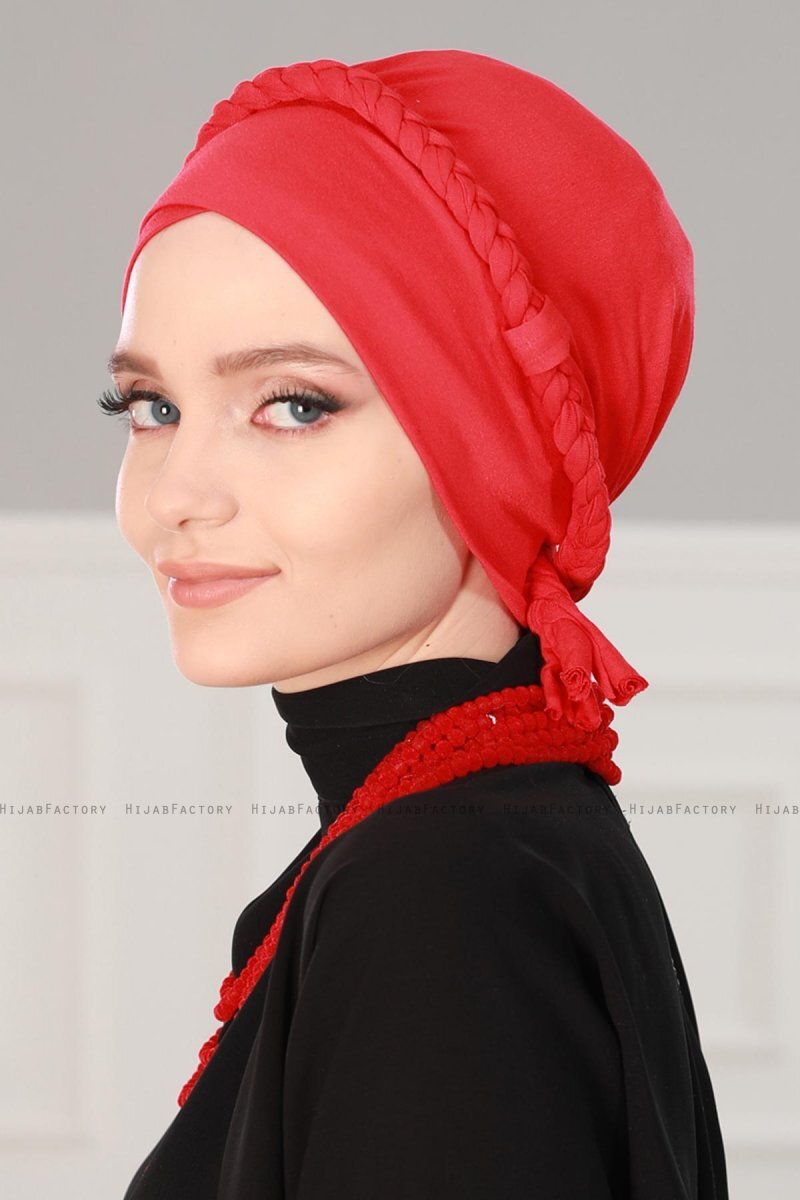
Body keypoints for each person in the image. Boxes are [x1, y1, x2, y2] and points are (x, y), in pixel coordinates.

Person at [99, 49, 729, 1199]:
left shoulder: (438, 891)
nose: (175, 495)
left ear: (491, 445)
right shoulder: (482, 833)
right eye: (150, 406)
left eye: (293, 405)